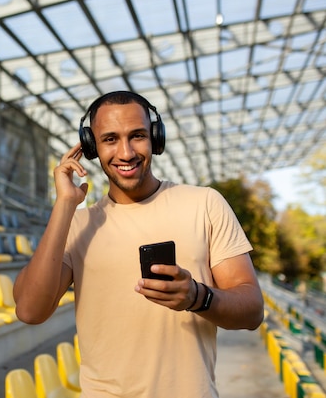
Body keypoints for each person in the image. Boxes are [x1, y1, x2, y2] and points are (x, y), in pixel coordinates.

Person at [13, 91, 264, 398]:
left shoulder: (205, 204)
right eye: (109, 139)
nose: (126, 152)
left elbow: (252, 311)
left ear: (156, 138)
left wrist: (198, 296)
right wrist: (65, 204)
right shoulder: (76, 225)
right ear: (91, 146)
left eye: (138, 136)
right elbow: (29, 310)